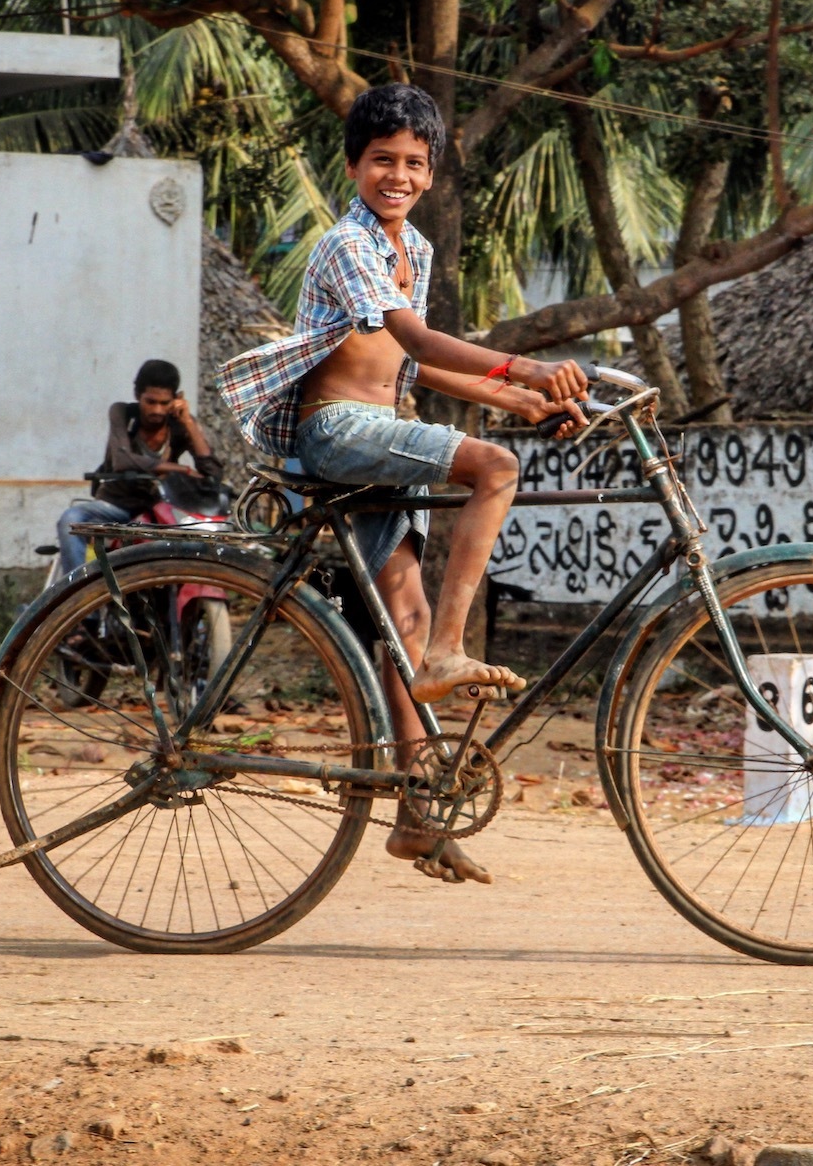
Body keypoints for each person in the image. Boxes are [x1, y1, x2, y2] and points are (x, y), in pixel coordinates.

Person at [218, 83, 588, 885]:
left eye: (415, 163)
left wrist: (523, 401)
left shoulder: (411, 248)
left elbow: (411, 367)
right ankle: (452, 651)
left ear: (431, 173)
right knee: (496, 468)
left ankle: (417, 812)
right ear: (354, 165)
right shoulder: (347, 244)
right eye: (382, 159)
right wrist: (524, 367)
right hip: (337, 430)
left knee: (402, 619)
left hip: (377, 432)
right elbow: (414, 337)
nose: (399, 175)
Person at [56, 360, 224, 573]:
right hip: (117, 505)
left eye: (164, 403)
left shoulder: (179, 424)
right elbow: (122, 461)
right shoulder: (123, 414)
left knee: (192, 548)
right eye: (150, 402)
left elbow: (213, 472)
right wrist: (181, 469)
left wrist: (189, 423)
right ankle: (79, 591)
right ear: (137, 395)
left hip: (161, 508)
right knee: (70, 520)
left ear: (176, 399)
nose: (157, 410)